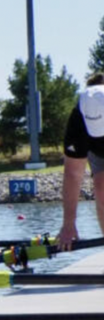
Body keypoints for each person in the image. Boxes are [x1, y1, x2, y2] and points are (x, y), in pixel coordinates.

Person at [59, 75, 104, 251]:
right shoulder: (77, 121)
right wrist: (68, 224)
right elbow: (73, 174)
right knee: (101, 188)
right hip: (96, 150)